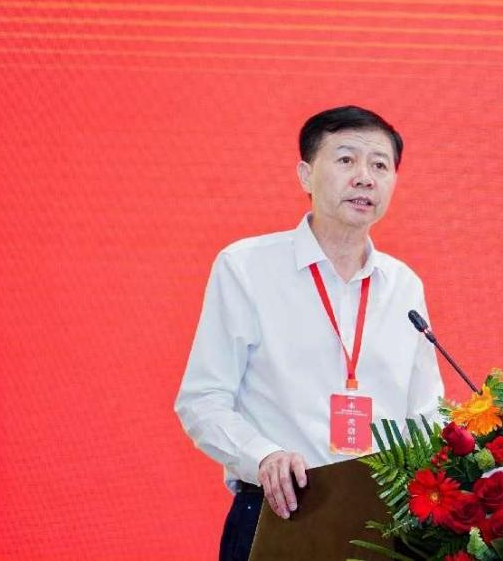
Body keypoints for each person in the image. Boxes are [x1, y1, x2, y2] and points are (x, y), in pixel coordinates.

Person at [174, 105, 445, 561]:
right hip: (282, 510)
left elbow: (426, 415)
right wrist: (263, 456)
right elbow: (203, 399)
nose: (365, 178)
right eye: (346, 160)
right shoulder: (247, 268)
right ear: (305, 174)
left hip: (384, 524)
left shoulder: (404, 286)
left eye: (380, 165)